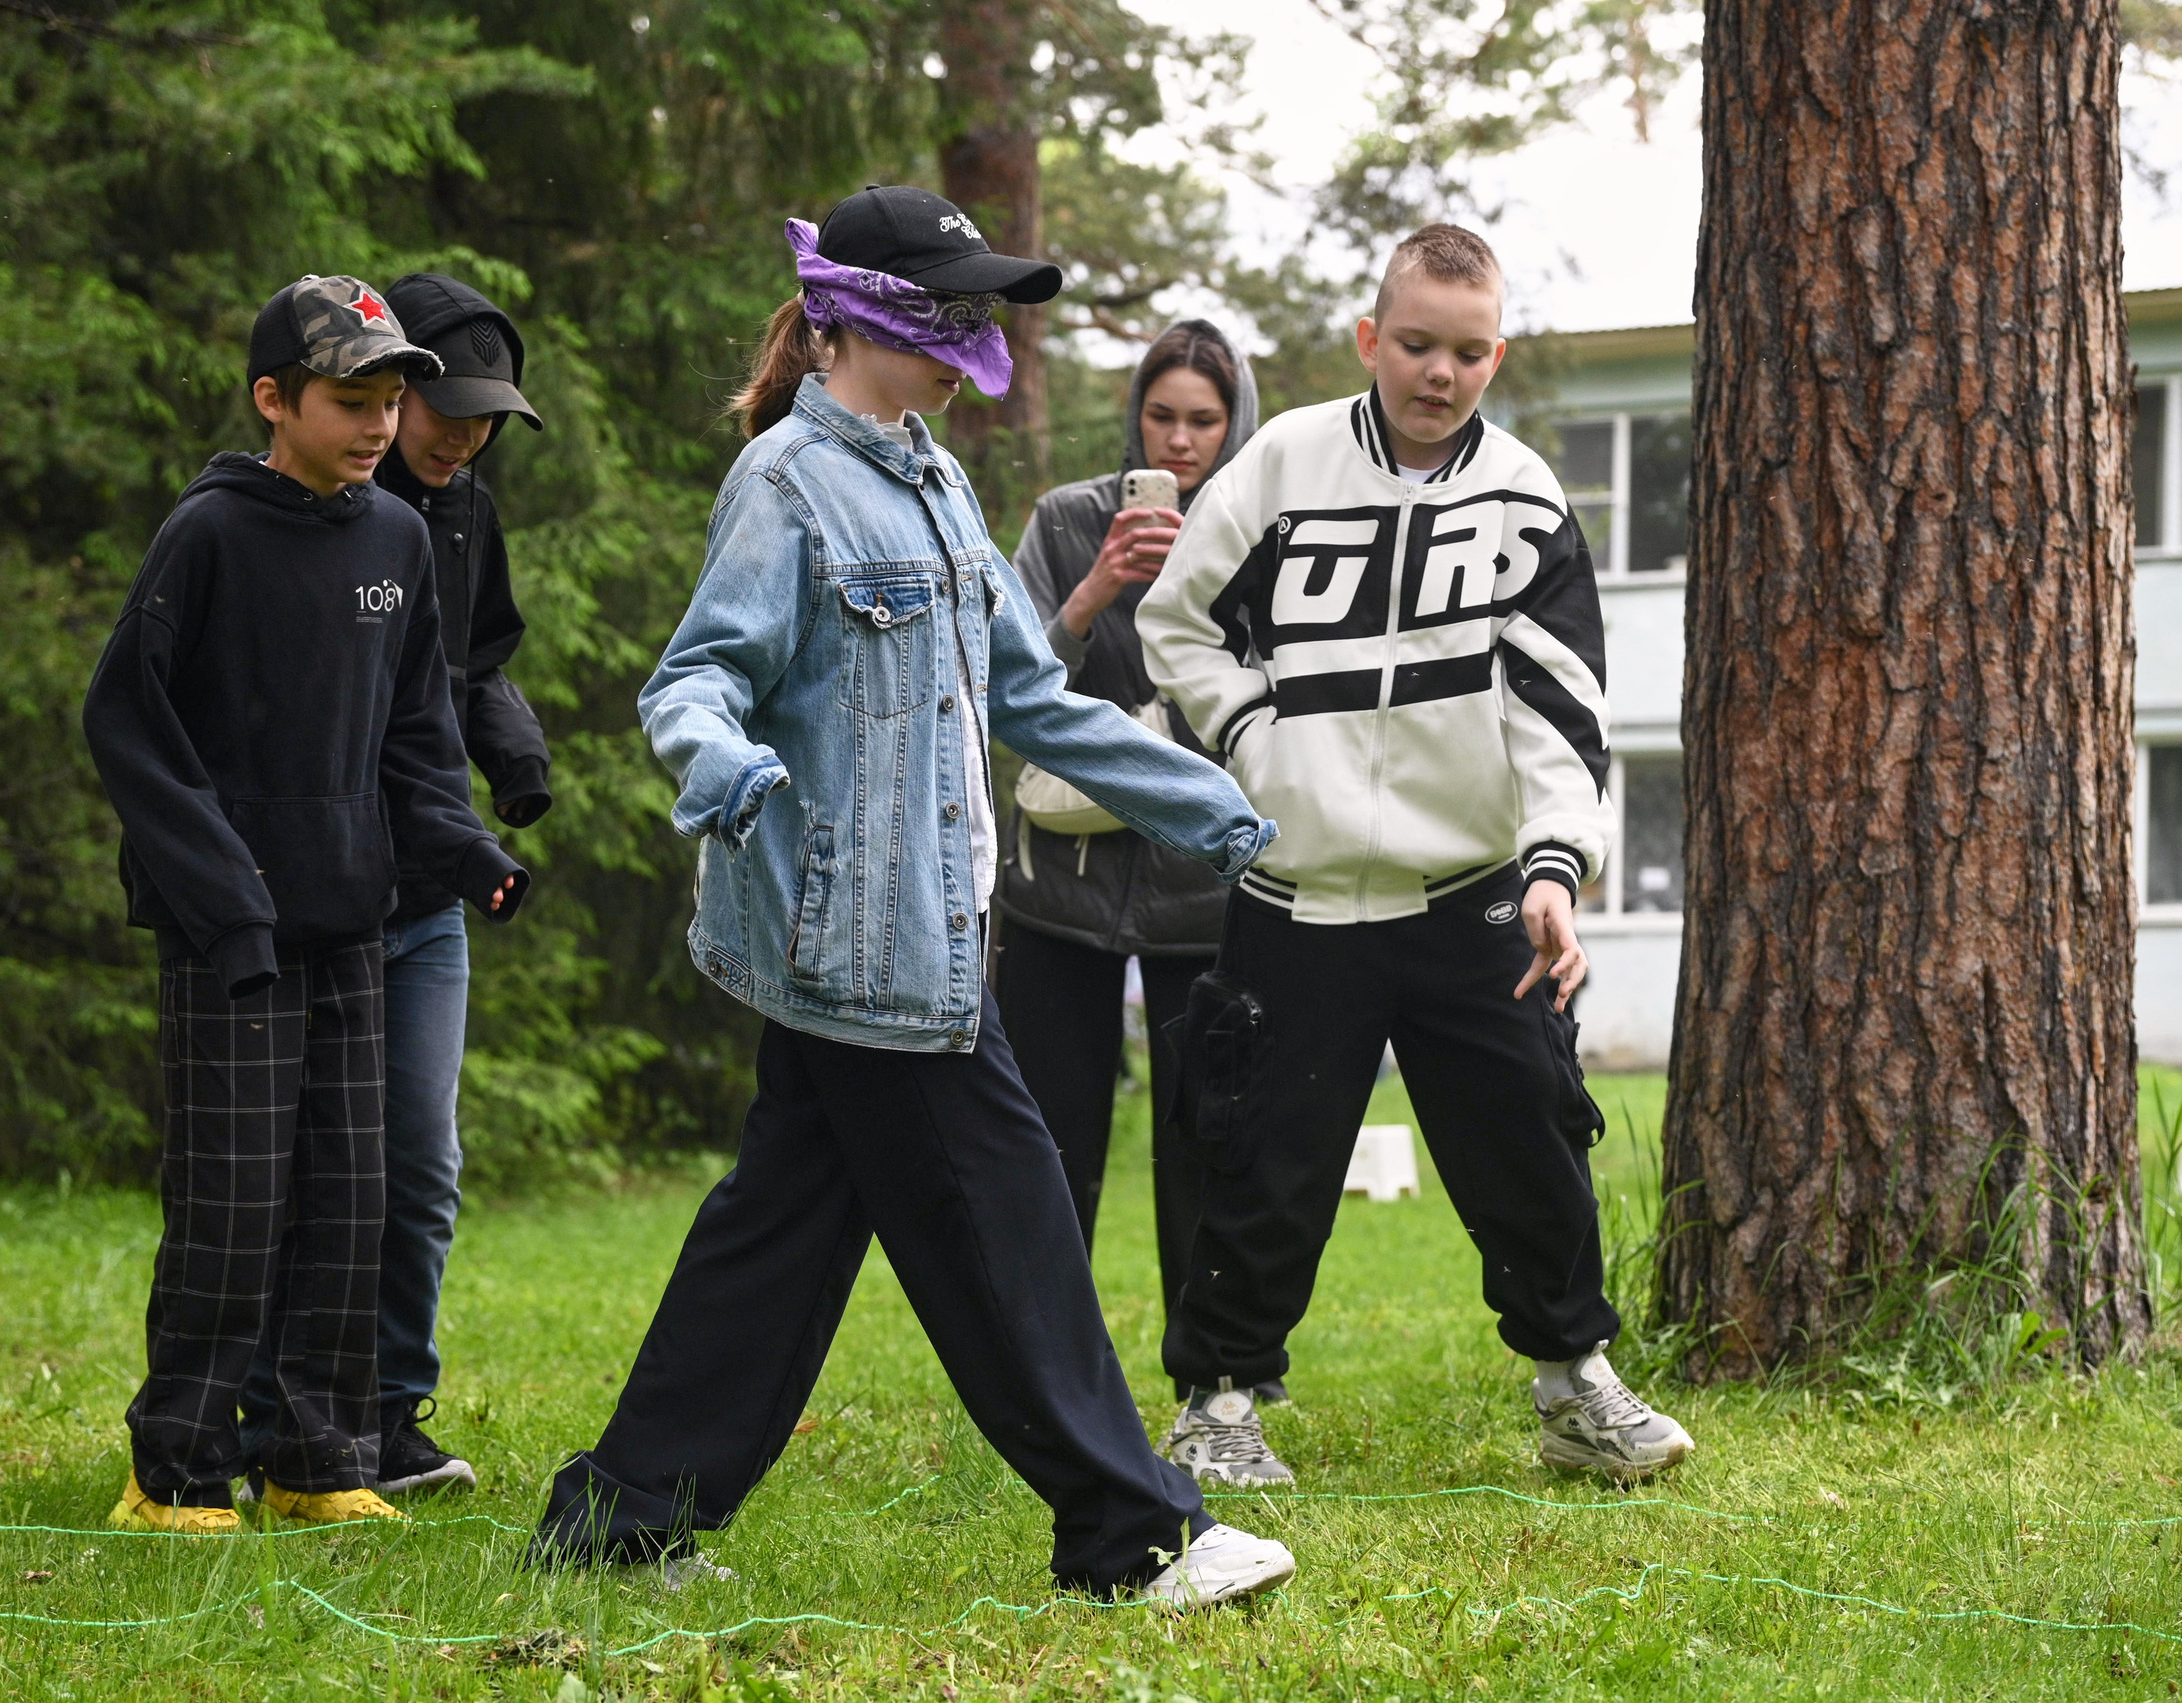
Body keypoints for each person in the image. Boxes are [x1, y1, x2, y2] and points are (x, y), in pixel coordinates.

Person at [525, 186, 1298, 1610]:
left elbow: (1035, 698)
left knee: (779, 1234)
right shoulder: (783, 483)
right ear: (855, 317)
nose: (969, 339)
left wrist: (1219, 810)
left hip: (931, 933)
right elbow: (695, 676)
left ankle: (618, 1523)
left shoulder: (936, 483)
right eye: (945, 312)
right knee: (1010, 1225)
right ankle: (1135, 1534)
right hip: (859, 944)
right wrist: (720, 763)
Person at [1136, 225, 1694, 1488]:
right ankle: (1218, 1404)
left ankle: (1574, 1384)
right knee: (1259, 1152)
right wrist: (1254, 735)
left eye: (1468, 350)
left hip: (1471, 895)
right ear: (1369, 339)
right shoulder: (1281, 464)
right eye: (1416, 343)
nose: (1440, 372)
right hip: (1296, 892)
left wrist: (1552, 867)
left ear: (1496, 356)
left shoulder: (1524, 498)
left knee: (1530, 1139)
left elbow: (1559, 707)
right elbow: (1177, 625)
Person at [83, 274, 529, 1533]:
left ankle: (315, 1459)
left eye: (391, 399)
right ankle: (173, 1467)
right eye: (352, 400)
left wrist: (465, 848)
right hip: (230, 936)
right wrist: (226, 897)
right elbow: (126, 719)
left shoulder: (394, 540)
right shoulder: (209, 533)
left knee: (347, 1203)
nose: (380, 424)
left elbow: (416, 732)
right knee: (233, 1206)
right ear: (273, 399)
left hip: (351, 920)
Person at [233, 273, 552, 1504]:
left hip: (424, 893)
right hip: (313, 892)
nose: (458, 438)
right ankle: (266, 1411)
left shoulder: (460, 517)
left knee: (417, 1163)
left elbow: (467, 672)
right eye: (444, 411)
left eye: (483, 421)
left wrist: (512, 765)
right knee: (296, 1167)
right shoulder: (304, 513)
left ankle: (384, 1411)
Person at [993, 321, 1269, 1348]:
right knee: (1049, 1133)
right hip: (1059, 881)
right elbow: (1002, 680)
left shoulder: (1263, 525)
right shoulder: (1069, 518)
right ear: (1134, 417)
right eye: (1161, 416)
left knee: (1209, 1127)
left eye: (1204, 419)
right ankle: (1042, 1356)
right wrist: (1095, 589)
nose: (1181, 440)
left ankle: (1218, 1359)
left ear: (1236, 422)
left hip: (1205, 881)